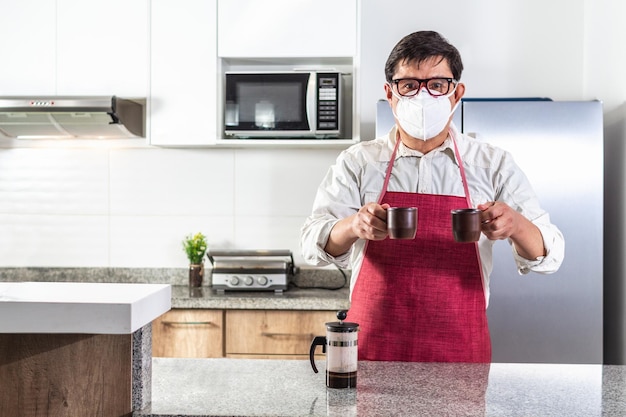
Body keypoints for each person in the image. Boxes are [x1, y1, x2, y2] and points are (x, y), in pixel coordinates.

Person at [300, 30, 565, 362]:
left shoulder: (492, 164)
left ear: (456, 94)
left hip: (458, 350)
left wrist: (515, 225)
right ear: (390, 92)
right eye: (409, 85)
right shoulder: (359, 162)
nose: (423, 97)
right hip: (374, 348)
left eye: (437, 85)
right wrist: (354, 226)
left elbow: (550, 255)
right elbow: (312, 244)